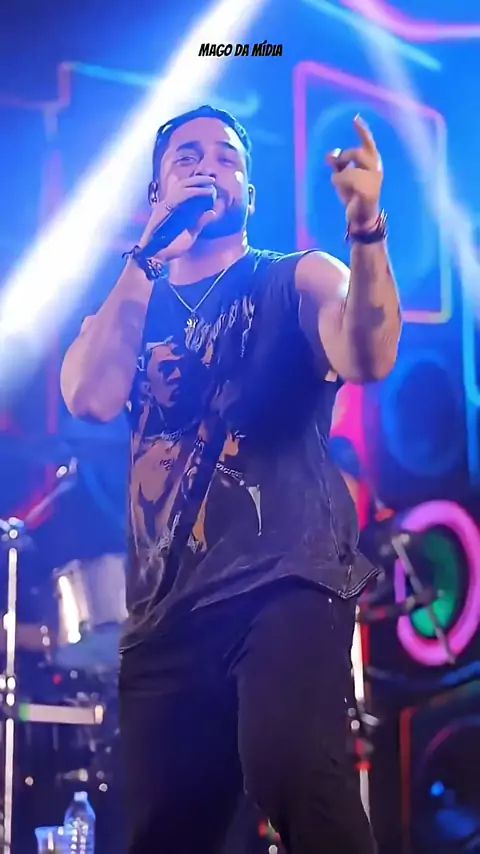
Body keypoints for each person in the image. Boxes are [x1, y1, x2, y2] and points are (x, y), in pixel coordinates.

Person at [60, 104, 401, 854]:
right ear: (156, 194)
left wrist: (366, 230)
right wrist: (145, 258)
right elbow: (89, 395)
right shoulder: (129, 306)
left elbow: (369, 356)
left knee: (292, 770)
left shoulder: (295, 276)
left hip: (285, 577)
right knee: (165, 833)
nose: (207, 166)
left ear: (247, 190)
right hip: (166, 608)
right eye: (186, 157)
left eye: (226, 156)